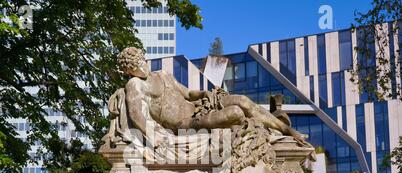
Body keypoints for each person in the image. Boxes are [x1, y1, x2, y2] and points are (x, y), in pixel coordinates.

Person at [118, 47, 306, 142]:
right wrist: (157, 137)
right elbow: (136, 115)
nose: (140, 68)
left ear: (144, 58)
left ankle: (286, 130)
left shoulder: (163, 74)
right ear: (129, 72)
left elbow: (189, 93)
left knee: (242, 101)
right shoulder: (135, 85)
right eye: (133, 67)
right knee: (235, 113)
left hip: (197, 107)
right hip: (184, 124)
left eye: (140, 62)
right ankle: (257, 132)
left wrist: (204, 93)